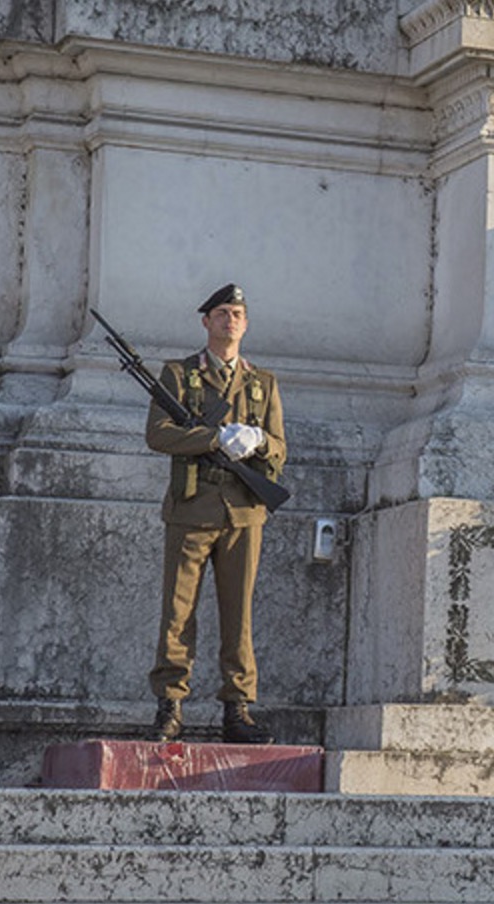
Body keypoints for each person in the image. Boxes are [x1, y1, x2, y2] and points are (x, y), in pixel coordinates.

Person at [145, 283, 286, 744]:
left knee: (238, 614)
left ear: (246, 324)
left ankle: (237, 710)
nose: (230, 321)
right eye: (222, 313)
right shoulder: (179, 375)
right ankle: (170, 705)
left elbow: (280, 448)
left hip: (244, 512)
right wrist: (212, 439)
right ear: (206, 321)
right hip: (192, 508)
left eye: (237, 314)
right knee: (178, 613)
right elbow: (158, 434)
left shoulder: (262, 383)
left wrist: (259, 441)